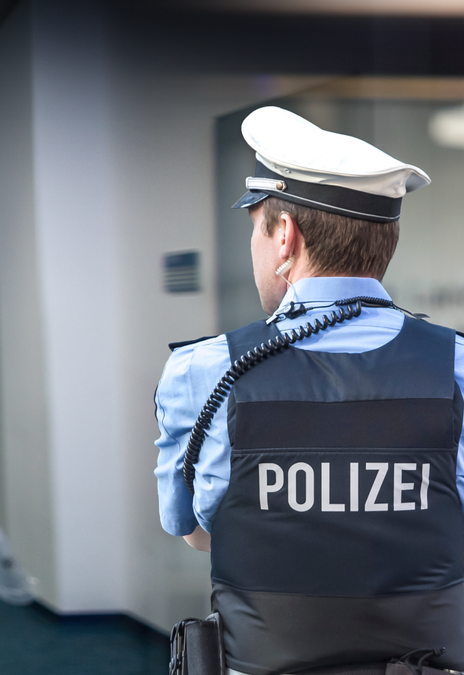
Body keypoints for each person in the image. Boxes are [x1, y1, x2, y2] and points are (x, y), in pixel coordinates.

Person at [155, 106, 464, 675]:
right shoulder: (456, 365)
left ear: (284, 236)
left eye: (256, 227)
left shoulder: (204, 370)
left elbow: (193, 532)